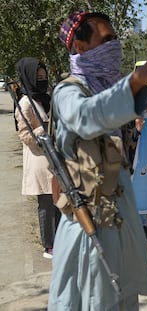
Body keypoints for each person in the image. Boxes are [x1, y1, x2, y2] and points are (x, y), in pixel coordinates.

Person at [48, 11, 147, 310]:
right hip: (90, 229)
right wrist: (138, 79)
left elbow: (115, 107)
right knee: (95, 300)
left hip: (120, 223)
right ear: (80, 47)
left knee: (124, 298)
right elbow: (88, 117)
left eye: (115, 39)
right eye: (106, 39)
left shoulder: (110, 91)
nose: (115, 46)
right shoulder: (68, 92)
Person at [15, 57, 61, 259]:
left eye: (44, 77)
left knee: (59, 199)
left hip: (54, 157)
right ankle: (49, 245)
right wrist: (42, 131)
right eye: (38, 77)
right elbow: (24, 134)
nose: (41, 80)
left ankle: (61, 238)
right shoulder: (25, 103)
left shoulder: (46, 98)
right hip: (40, 158)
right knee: (46, 204)